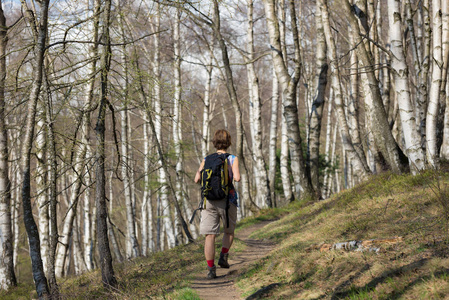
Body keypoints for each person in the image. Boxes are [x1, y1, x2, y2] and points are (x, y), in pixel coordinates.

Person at [194, 129, 241, 279]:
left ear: (214, 142)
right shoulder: (232, 158)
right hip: (228, 200)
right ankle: (223, 256)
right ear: (228, 142)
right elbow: (238, 178)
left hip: (209, 201)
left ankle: (210, 269)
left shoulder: (207, 159)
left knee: (210, 236)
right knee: (229, 231)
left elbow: (196, 179)